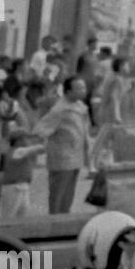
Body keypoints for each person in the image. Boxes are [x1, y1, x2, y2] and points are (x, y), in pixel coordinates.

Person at [32, 76, 92, 215]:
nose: (84, 91)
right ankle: (54, 220)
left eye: (84, 87)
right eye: (79, 88)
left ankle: (64, 217)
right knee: (58, 192)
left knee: (69, 191)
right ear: (68, 91)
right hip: (62, 157)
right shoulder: (59, 110)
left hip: (76, 156)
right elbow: (40, 130)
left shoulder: (81, 107)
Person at [0, 130, 43, 223]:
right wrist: (41, 138)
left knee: (22, 215)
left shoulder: (22, 151)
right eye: (26, 138)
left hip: (23, 186)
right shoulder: (17, 150)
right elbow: (40, 148)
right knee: (9, 216)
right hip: (13, 187)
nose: (28, 141)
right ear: (18, 140)